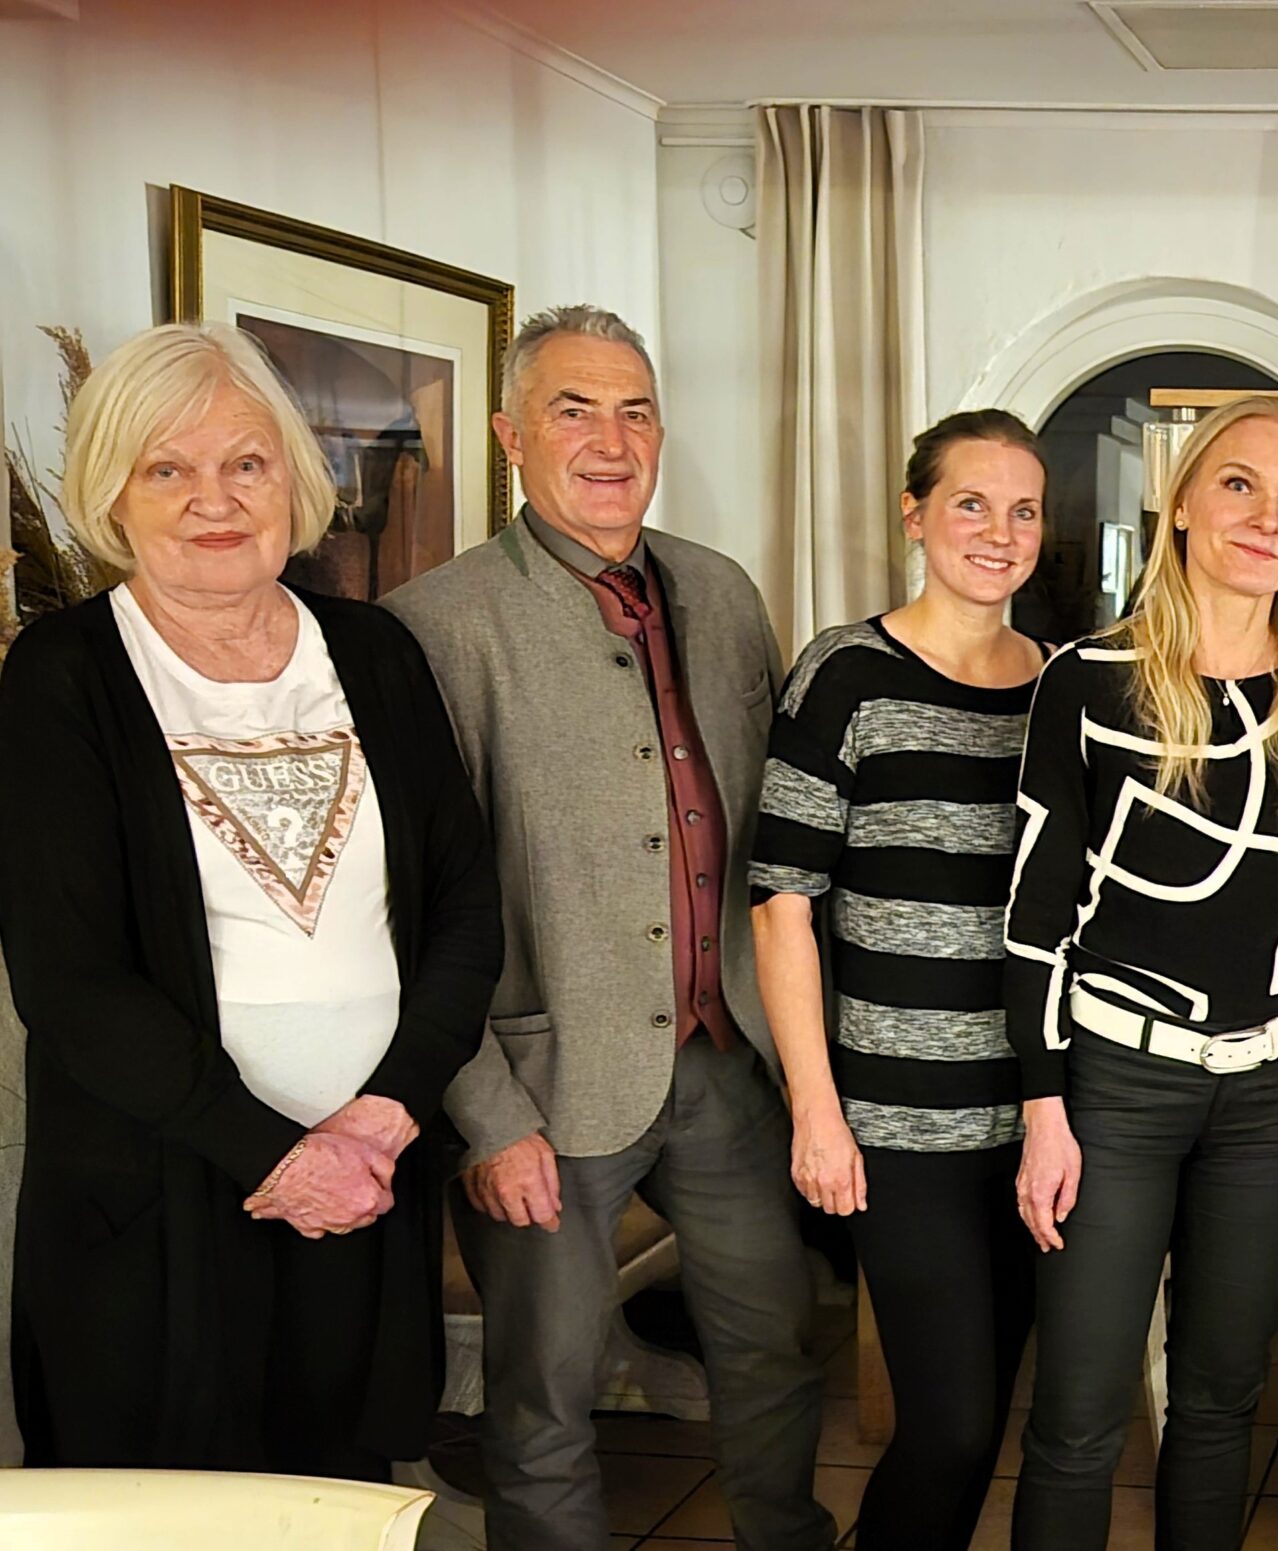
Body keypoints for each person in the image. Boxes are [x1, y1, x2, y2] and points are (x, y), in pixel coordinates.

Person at [0, 322, 501, 1474]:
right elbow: (69, 979)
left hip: (367, 1180)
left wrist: (383, 1117)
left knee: (341, 1493)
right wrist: (276, 1156)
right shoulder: (63, 675)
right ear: (111, 494)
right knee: (166, 1511)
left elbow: (465, 907)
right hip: (159, 1198)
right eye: (166, 469)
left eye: (246, 462)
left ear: (292, 478)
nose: (213, 500)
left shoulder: (375, 653)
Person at [385, 305, 832, 1551]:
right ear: (510, 436)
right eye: (574, 410)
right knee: (543, 1399)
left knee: (776, 1347)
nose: (611, 439)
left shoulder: (723, 592)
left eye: (635, 411)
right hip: (544, 1085)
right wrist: (486, 1117)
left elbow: (777, 832)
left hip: (726, 1058)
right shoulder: (437, 626)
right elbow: (410, 908)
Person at [1004, 395, 1278, 1551]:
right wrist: (1043, 1108)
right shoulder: (1089, 681)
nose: (1267, 519)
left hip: (1270, 1097)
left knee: (1221, 1402)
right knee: (1078, 1412)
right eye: (1239, 485)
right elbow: (1037, 913)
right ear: (1179, 504)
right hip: (1114, 1089)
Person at [750, 410, 1051, 1550]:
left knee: (985, 1419)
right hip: (893, 1120)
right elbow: (781, 904)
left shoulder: (1063, 687)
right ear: (915, 516)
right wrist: (815, 1111)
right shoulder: (846, 674)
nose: (998, 531)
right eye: (971, 503)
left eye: (1023, 510)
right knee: (951, 1425)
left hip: (1035, 1118)